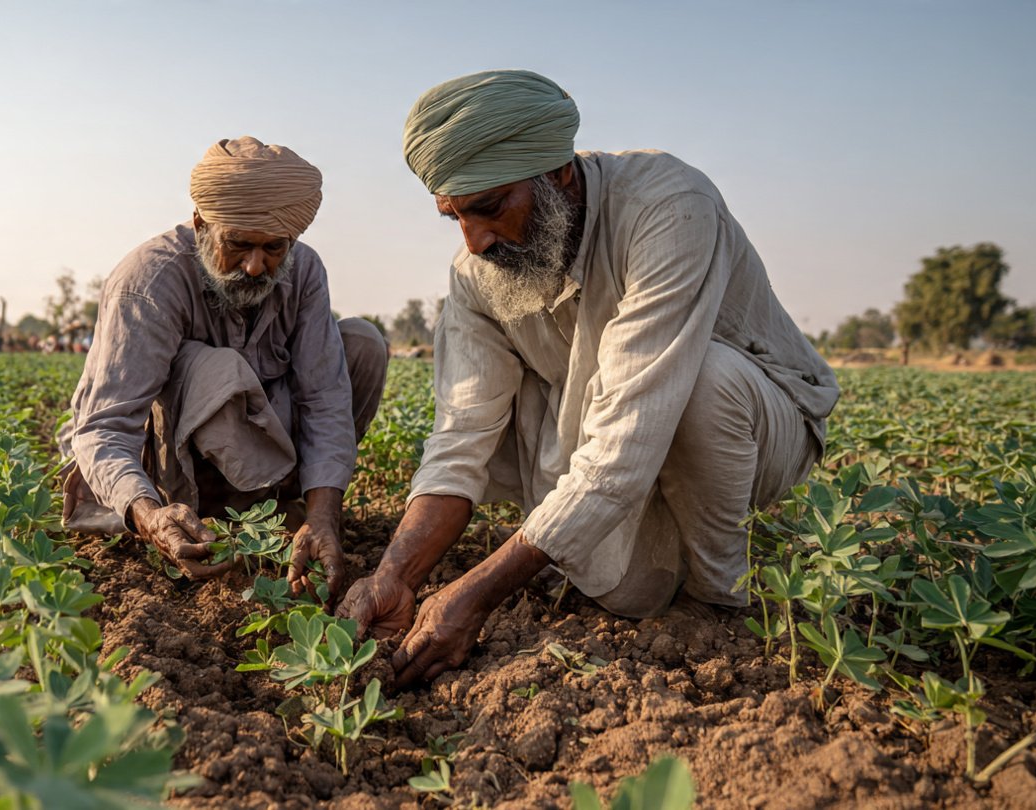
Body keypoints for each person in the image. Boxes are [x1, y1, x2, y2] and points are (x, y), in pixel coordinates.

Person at [337, 70, 840, 688]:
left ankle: (718, 601)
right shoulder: (477, 270)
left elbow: (631, 432)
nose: (476, 241)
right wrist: (397, 574)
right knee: (619, 575)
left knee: (705, 379)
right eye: (455, 218)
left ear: (558, 175)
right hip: (619, 432)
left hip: (755, 428)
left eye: (490, 209)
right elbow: (461, 434)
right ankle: (609, 548)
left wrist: (476, 594)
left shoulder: (668, 207)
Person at [60, 136, 387, 602]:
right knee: (220, 368)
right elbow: (104, 427)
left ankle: (290, 510)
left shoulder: (304, 271)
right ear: (200, 224)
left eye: (274, 247)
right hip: (177, 479)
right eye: (238, 245)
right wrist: (150, 514)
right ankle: (205, 517)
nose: (255, 266)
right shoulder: (149, 282)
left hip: (272, 460)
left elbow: (325, 399)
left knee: (362, 342)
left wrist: (324, 516)